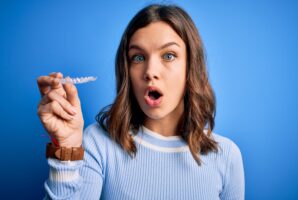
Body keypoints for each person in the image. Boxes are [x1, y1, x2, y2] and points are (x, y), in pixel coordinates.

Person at [37, 4, 245, 200]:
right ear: (126, 71)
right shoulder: (99, 144)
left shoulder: (226, 156)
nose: (150, 72)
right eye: (138, 58)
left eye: (169, 56)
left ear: (191, 67)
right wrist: (67, 150)